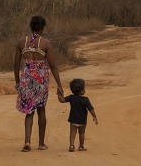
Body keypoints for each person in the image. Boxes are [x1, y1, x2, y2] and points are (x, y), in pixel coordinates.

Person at [14, 15, 64, 152]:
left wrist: (17, 82)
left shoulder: (21, 42)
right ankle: (41, 144)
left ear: (31, 26)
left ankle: (27, 142)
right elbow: (53, 66)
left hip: (26, 80)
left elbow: (15, 65)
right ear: (42, 28)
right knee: (41, 110)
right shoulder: (45, 43)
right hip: (41, 81)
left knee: (29, 112)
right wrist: (59, 85)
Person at [58, 78, 98, 152]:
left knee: (72, 133)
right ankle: (81, 147)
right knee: (82, 133)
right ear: (82, 90)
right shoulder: (86, 99)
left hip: (73, 120)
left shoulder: (71, 97)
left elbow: (62, 100)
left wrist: (59, 94)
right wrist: (94, 117)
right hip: (82, 121)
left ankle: (72, 146)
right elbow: (91, 109)